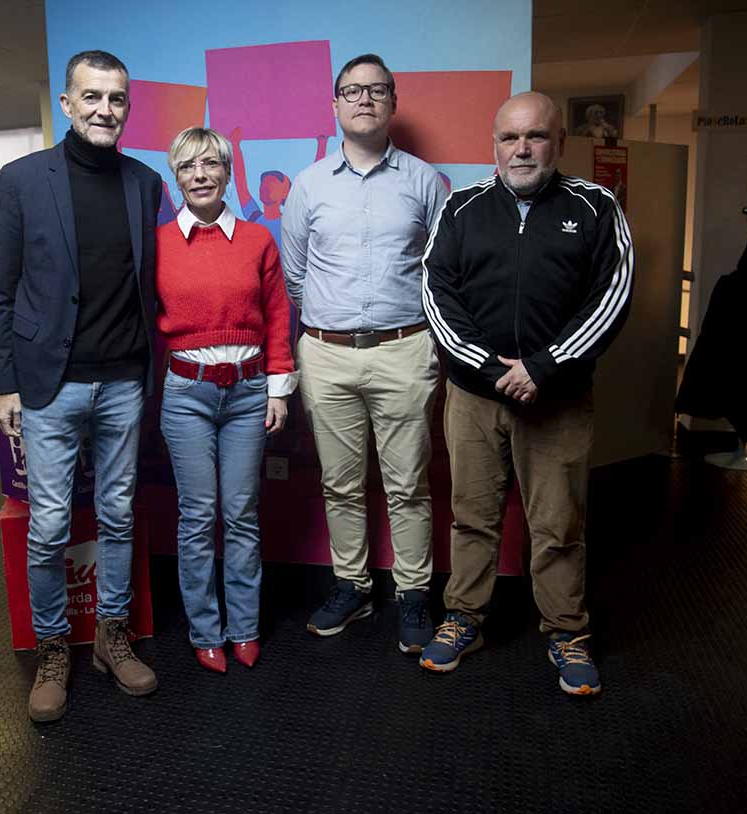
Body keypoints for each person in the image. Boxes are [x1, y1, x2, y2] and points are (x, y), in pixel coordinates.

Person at [421, 91, 633, 695]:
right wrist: (492, 369)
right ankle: (464, 618)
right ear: (494, 146)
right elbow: (438, 293)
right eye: (510, 138)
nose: (522, 149)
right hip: (474, 396)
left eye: (535, 136)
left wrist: (543, 367)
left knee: (558, 522)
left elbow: (613, 294)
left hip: (558, 399)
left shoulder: (596, 207)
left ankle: (567, 631)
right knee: (472, 517)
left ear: (559, 143)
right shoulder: (460, 208)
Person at [0, 50, 164, 723]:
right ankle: (53, 648)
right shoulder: (23, 181)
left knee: (118, 516)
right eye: (91, 97)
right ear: (66, 103)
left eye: (116, 99)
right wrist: (5, 384)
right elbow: (0, 294)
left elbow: (149, 286)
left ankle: (110, 637)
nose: (104, 110)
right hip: (47, 387)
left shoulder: (144, 183)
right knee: (49, 527)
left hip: (123, 381)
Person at [282, 53, 446, 654]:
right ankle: (352, 585)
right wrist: (332, 327)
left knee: (408, 485)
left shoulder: (425, 182)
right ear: (335, 104)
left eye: (377, 90)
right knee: (340, 484)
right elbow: (296, 275)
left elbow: (438, 271)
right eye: (352, 91)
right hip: (325, 354)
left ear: (393, 102)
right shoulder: (309, 184)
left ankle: (413, 594)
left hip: (406, 350)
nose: (364, 100)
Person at [156, 126, 297, 673]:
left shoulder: (258, 240)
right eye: (189, 166)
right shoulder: (160, 243)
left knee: (240, 513)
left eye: (211, 164)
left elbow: (279, 315)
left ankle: (244, 627)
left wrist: (279, 385)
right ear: (176, 176)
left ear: (226, 171)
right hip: (186, 393)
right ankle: (204, 630)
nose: (200, 175)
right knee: (197, 516)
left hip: (247, 391)